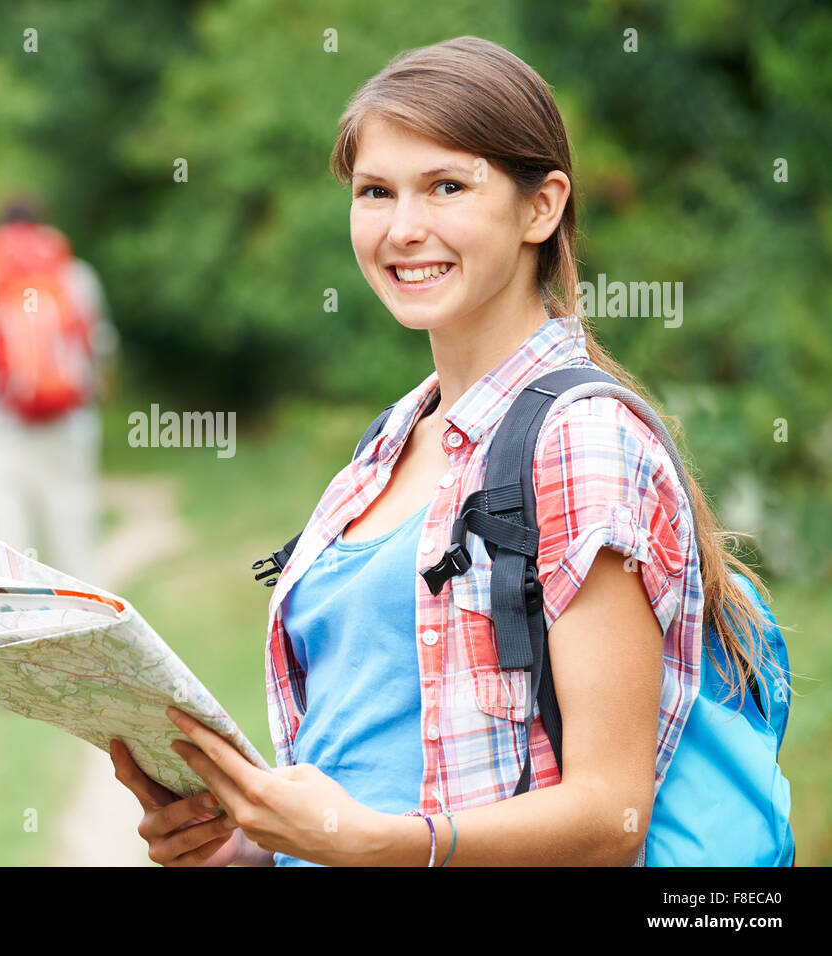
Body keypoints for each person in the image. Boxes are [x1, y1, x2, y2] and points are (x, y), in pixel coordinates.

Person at [109, 36, 783, 866]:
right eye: (375, 192)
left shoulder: (582, 441)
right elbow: (366, 784)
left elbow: (610, 822)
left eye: (447, 187)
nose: (403, 229)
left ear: (541, 208)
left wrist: (384, 845)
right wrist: (241, 848)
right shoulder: (389, 443)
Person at [0, 195, 117, 582]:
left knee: (3, 562)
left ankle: (8, 639)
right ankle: (87, 638)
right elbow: (100, 356)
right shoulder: (76, 277)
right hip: (69, 432)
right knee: (76, 551)